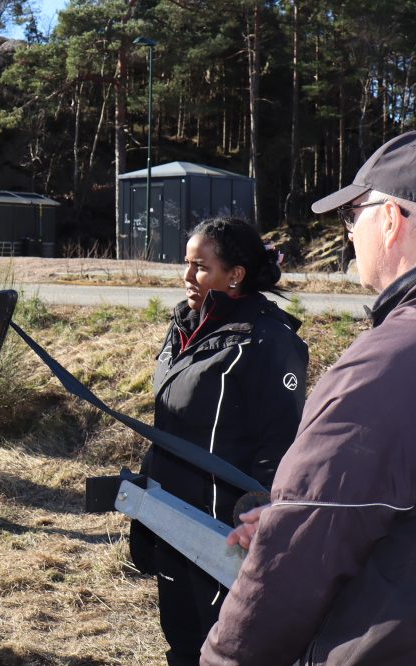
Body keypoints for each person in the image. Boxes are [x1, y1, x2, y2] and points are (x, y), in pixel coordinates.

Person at [202, 131, 416, 665]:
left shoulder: (392, 361)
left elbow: (297, 561)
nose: (349, 235)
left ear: (390, 220)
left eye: (354, 216)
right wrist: (301, 512)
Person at [130, 217, 308, 666]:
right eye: (186, 265)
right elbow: (167, 421)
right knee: (182, 642)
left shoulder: (269, 341)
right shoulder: (184, 326)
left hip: (223, 533)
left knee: (224, 648)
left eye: (199, 267)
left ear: (235, 274)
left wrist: (256, 527)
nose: (187, 278)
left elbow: (281, 447)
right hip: (170, 516)